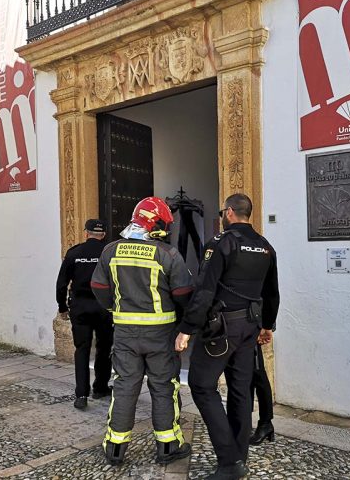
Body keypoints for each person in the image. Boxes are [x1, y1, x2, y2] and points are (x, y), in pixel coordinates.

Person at [175, 193, 279, 480]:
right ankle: (239, 455)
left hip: (222, 328)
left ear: (230, 212)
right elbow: (271, 292)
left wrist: (186, 329)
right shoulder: (265, 246)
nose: (222, 215)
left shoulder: (221, 243)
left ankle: (229, 460)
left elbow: (205, 290)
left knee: (201, 384)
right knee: (240, 390)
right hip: (250, 326)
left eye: (223, 211)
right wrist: (267, 325)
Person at [91, 196, 194, 466]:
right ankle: (168, 445)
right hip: (161, 333)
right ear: (155, 224)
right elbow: (183, 293)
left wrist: (116, 309)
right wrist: (183, 321)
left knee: (125, 385)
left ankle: (115, 446)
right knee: (163, 386)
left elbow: (99, 288)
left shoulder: (110, 251)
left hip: (125, 332)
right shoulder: (168, 254)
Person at [55, 218, 114, 410]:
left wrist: (62, 307)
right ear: (103, 234)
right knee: (104, 348)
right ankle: (101, 387)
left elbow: (62, 283)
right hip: (104, 307)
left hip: (80, 308)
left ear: (86, 232)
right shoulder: (109, 253)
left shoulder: (74, 253)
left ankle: (81, 394)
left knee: (82, 349)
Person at [249, 336, 275, 445]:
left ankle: (266, 423)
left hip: (252, 326)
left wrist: (264, 327)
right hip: (241, 327)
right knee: (247, 376)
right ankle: (244, 421)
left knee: (258, 374)